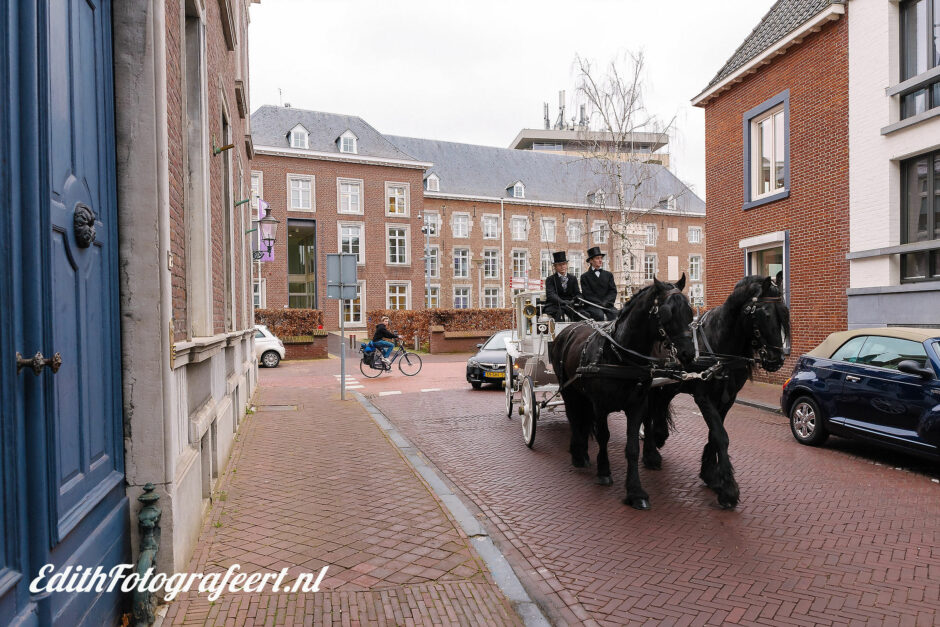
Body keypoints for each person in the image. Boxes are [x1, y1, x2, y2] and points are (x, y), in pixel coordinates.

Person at [579, 246, 618, 321]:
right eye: (597, 258)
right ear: (591, 261)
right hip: (592, 306)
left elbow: (613, 291)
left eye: (601, 258)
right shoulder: (584, 277)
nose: (600, 260)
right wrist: (599, 303)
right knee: (599, 315)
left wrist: (606, 302)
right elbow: (587, 294)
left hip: (607, 305)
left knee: (615, 314)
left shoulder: (608, 275)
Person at [544, 251, 581, 321]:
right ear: (555, 267)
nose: (562, 266)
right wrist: (562, 302)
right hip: (555, 305)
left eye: (564, 264)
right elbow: (551, 295)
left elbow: (577, 293)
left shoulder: (573, 278)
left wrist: (574, 300)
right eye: (559, 265)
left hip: (570, 305)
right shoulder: (550, 279)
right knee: (559, 314)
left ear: (566, 265)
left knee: (584, 315)